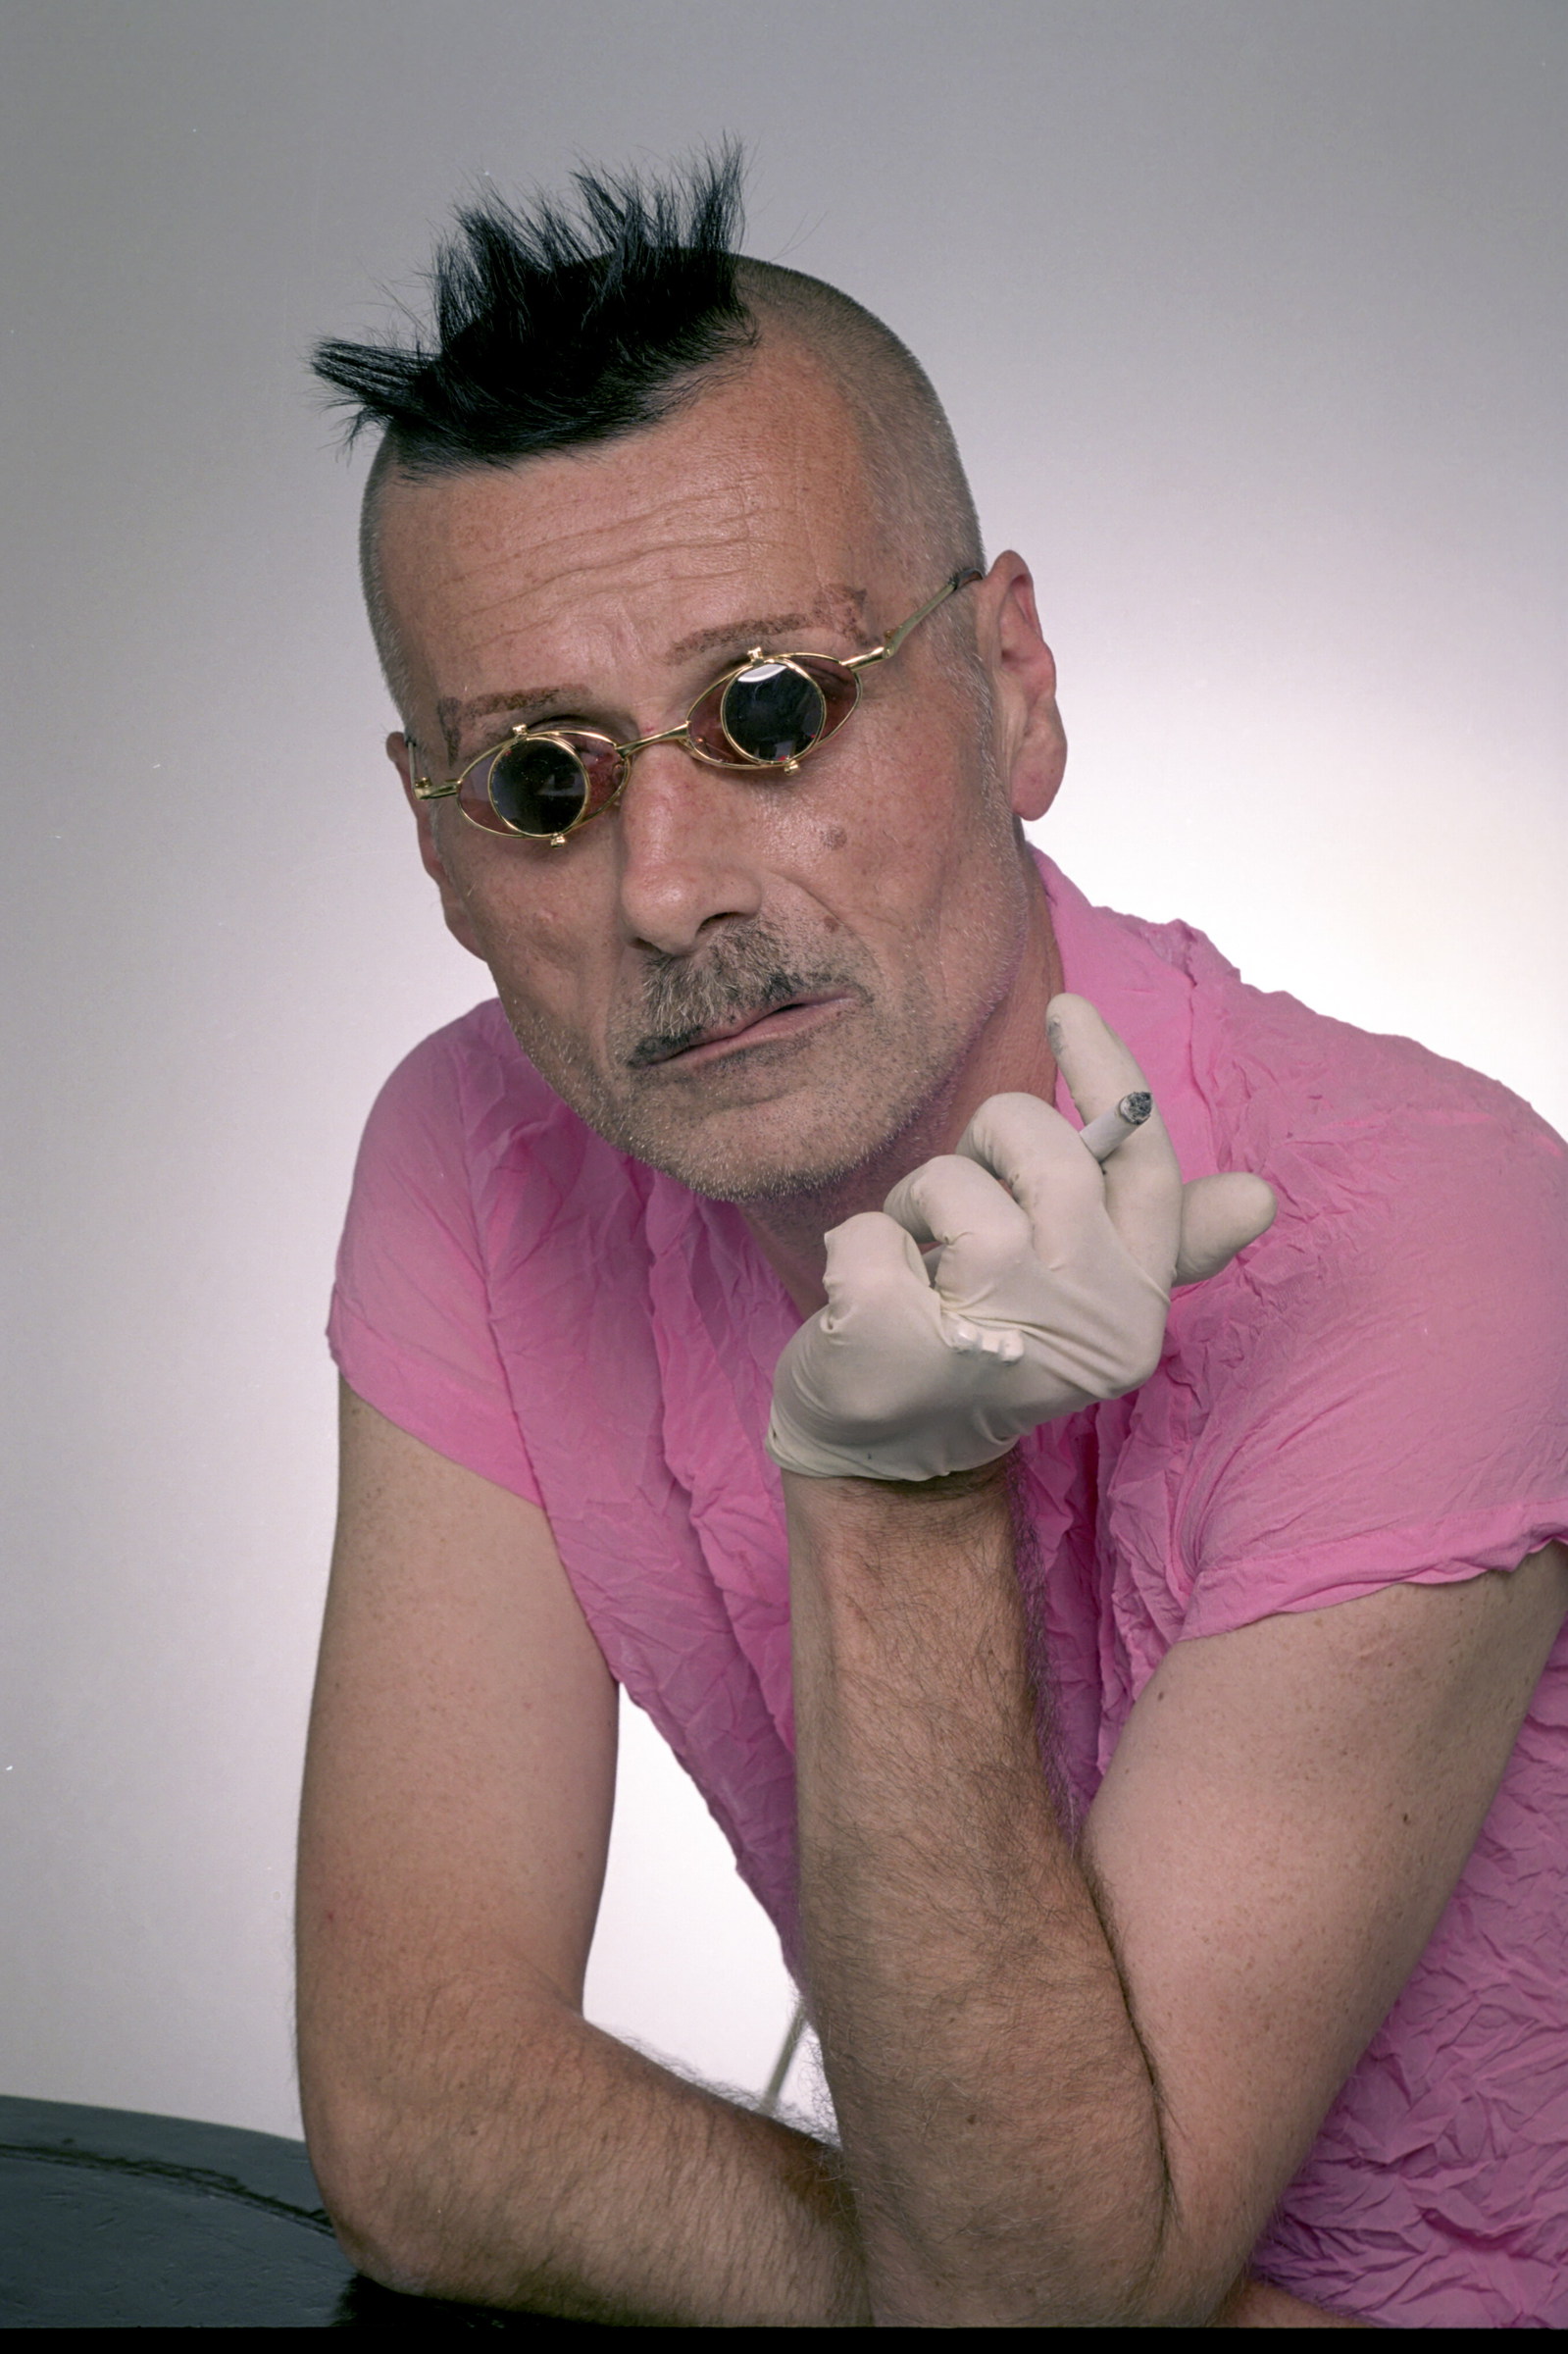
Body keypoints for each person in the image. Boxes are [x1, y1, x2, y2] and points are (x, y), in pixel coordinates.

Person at [294, 153, 1568, 2328]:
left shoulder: (1439, 1241)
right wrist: (940, 2279)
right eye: (541, 782)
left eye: (770, 709)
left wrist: (894, 1508)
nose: (666, 888)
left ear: (1013, 680)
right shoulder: (480, 1154)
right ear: (437, 846)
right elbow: (419, 2114)